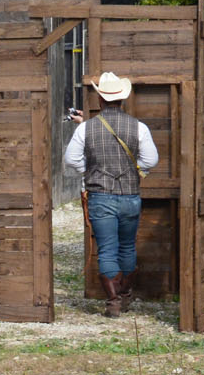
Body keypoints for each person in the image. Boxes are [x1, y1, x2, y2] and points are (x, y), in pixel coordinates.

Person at [63, 71, 158, 318]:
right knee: (127, 247)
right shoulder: (139, 127)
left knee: (106, 249)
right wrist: (138, 171)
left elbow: (71, 159)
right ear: (122, 99)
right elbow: (151, 160)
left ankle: (113, 302)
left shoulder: (86, 129)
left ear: (100, 100)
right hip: (130, 196)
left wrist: (91, 170)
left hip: (100, 197)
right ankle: (125, 297)